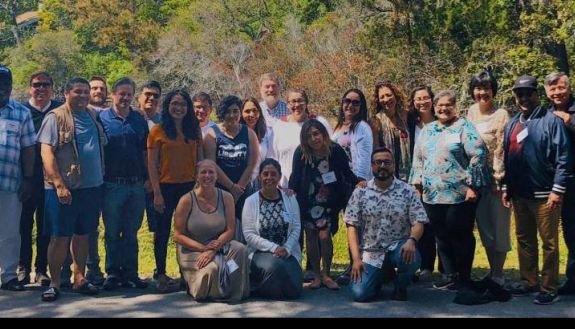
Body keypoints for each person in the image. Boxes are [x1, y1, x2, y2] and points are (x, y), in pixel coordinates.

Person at [502, 75, 573, 305]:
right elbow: (507, 157)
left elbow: (563, 157)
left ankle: (549, 286)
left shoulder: (551, 121)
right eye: (519, 94)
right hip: (520, 194)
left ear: (536, 94)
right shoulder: (513, 123)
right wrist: (506, 186)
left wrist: (557, 190)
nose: (524, 98)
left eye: (528, 93)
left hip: (545, 194)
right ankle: (529, 281)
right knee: (524, 240)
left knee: (549, 242)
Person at [409, 90, 489, 291]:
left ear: (455, 107)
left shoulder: (464, 127)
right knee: (441, 236)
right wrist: (416, 185)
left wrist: (472, 186)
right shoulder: (428, 130)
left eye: (448, 105)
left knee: (460, 235)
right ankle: (449, 275)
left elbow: (478, 154)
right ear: (434, 108)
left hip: (459, 195)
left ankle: (464, 276)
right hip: (432, 195)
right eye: (440, 105)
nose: (443, 109)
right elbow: (418, 159)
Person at [38, 77, 107, 301]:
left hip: (91, 188)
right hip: (64, 189)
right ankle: (55, 283)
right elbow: (46, 153)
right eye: (78, 92)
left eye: (86, 92)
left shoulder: (92, 114)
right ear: (66, 93)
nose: (84, 96)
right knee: (59, 237)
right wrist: (58, 184)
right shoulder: (55, 117)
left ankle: (80, 278)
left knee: (83, 234)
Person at [346, 147, 428, 302]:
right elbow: (352, 227)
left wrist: (412, 241)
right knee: (359, 294)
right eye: (378, 162)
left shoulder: (407, 191)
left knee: (412, 258)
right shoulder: (360, 192)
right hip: (371, 252)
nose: (382, 166)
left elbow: (419, 221)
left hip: (399, 247)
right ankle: (377, 280)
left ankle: (401, 285)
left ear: (393, 165)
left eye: (387, 162)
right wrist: (356, 259)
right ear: (372, 166)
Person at [289, 119, 360, 290]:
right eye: (309, 136)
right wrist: (291, 190)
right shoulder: (301, 152)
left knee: (325, 236)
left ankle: (327, 274)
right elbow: (296, 175)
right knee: (311, 236)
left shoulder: (335, 150)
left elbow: (346, 171)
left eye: (316, 134)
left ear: (322, 133)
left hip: (329, 200)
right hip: (307, 200)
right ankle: (316, 275)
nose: (313, 138)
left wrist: (358, 182)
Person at [148, 89, 203, 292]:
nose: (178, 108)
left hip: (188, 188)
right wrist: (157, 193)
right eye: (174, 104)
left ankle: (185, 273)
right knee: (162, 232)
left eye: (182, 104)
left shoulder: (193, 130)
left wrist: (199, 186)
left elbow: (200, 159)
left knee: (188, 232)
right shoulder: (157, 131)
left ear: (188, 108)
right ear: (167, 106)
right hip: (165, 187)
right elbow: (152, 165)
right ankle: (161, 273)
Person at [174, 159, 250, 302]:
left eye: (211, 172)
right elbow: (178, 235)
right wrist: (203, 249)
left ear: (217, 176)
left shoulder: (226, 197)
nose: (207, 176)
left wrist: (213, 249)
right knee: (212, 270)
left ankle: (235, 292)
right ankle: (202, 289)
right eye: (203, 172)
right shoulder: (186, 200)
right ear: (197, 176)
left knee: (240, 249)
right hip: (193, 249)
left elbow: (230, 230)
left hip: (220, 246)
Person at [99, 78, 149, 290]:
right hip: (112, 184)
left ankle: (130, 273)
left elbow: (146, 151)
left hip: (136, 184)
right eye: (122, 94)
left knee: (131, 231)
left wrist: (148, 179)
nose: (125, 98)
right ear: (113, 94)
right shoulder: (102, 119)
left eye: (129, 94)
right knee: (111, 231)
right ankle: (112, 272)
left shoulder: (139, 119)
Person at [465, 71, 511, 286]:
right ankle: (492, 272)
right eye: (478, 88)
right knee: (485, 230)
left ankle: (499, 274)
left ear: (493, 90)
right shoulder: (471, 113)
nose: (482, 92)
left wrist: (500, 180)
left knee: (499, 228)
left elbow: (502, 149)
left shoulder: (501, 114)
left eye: (486, 88)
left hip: (496, 181)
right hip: (477, 183)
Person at [18, 71, 63, 287]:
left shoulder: (59, 111)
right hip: (25, 179)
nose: (41, 88)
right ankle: (23, 268)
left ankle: (41, 269)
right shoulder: (20, 111)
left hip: (50, 180)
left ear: (52, 88)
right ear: (30, 88)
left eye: (46, 84)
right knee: (23, 226)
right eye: (37, 85)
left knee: (46, 226)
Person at [242, 159, 303, 299]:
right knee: (275, 266)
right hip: (260, 252)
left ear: (280, 177)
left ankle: (268, 288)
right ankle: (263, 287)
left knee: (295, 288)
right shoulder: (250, 201)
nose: (269, 178)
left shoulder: (290, 198)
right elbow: (249, 235)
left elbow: (297, 227)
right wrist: (274, 248)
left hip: (287, 252)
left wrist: (287, 248)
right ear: (259, 177)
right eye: (265, 174)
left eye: (273, 174)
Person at [0, 65, 36, 292]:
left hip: (10, 183)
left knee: (10, 232)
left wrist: (29, 178)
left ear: (11, 86)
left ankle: (9, 276)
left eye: (5, 84)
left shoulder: (21, 112)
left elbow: (28, 149)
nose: (2, 88)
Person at [204, 95, 259, 241]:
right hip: (220, 189)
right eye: (228, 111)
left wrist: (238, 188)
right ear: (222, 113)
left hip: (243, 189)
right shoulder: (212, 134)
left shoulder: (249, 133)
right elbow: (211, 164)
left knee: (247, 228)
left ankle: (245, 260)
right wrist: (230, 187)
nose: (232, 115)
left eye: (235, 111)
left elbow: (251, 163)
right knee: (220, 229)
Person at [331, 88, 373, 286]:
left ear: (361, 106)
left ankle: (355, 266)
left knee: (355, 225)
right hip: (338, 183)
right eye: (347, 100)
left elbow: (364, 156)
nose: (350, 105)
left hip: (355, 183)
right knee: (348, 224)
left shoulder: (362, 127)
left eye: (356, 102)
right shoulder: (338, 127)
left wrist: (360, 182)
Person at [543, 72, 575, 295]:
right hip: (560, 183)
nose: (557, 92)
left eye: (561, 87)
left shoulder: (570, 113)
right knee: (570, 233)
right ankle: (572, 281)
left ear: (569, 87)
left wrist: (570, 121)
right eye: (552, 89)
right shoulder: (546, 114)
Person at [406, 85, 440, 281]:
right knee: (420, 223)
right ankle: (424, 266)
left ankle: (444, 268)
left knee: (439, 225)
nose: (422, 102)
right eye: (418, 99)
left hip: (440, 181)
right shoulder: (410, 124)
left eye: (426, 98)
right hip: (416, 181)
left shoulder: (442, 121)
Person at [270, 87, 333, 188]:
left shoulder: (320, 122)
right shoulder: (279, 126)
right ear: (287, 104)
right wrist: (278, 182)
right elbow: (272, 157)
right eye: (293, 102)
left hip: (318, 186)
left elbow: (331, 149)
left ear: (306, 102)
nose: (297, 105)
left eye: (300, 101)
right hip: (286, 187)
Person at [369, 81, 411, 181]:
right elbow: (376, 151)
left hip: (408, 172)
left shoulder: (405, 116)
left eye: (389, 95)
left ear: (396, 95)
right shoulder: (375, 121)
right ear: (378, 100)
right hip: (387, 173)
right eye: (382, 97)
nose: (386, 99)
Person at [240, 97, 273, 189]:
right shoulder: (237, 134)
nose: (252, 114)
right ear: (241, 114)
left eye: (255, 110)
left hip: (262, 181)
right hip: (241, 182)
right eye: (247, 111)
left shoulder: (267, 133)